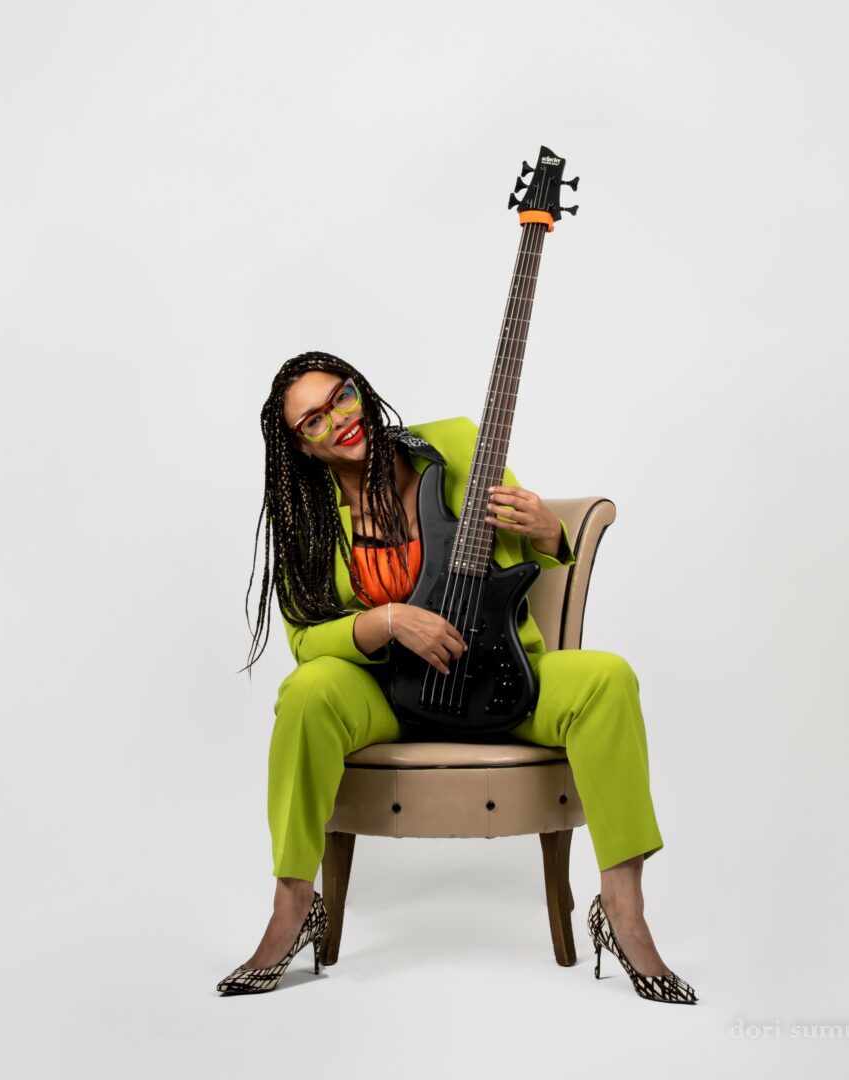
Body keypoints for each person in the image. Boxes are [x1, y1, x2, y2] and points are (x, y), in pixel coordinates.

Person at [217, 351, 698, 1004]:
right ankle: (294, 907)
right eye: (314, 421)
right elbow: (306, 642)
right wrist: (388, 621)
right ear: (300, 446)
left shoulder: (457, 445)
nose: (338, 420)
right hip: (383, 693)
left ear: (362, 391)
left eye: (342, 397)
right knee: (305, 692)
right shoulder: (304, 512)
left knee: (608, 677)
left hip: (498, 673)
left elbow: (522, 558)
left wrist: (548, 530)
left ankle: (622, 909)